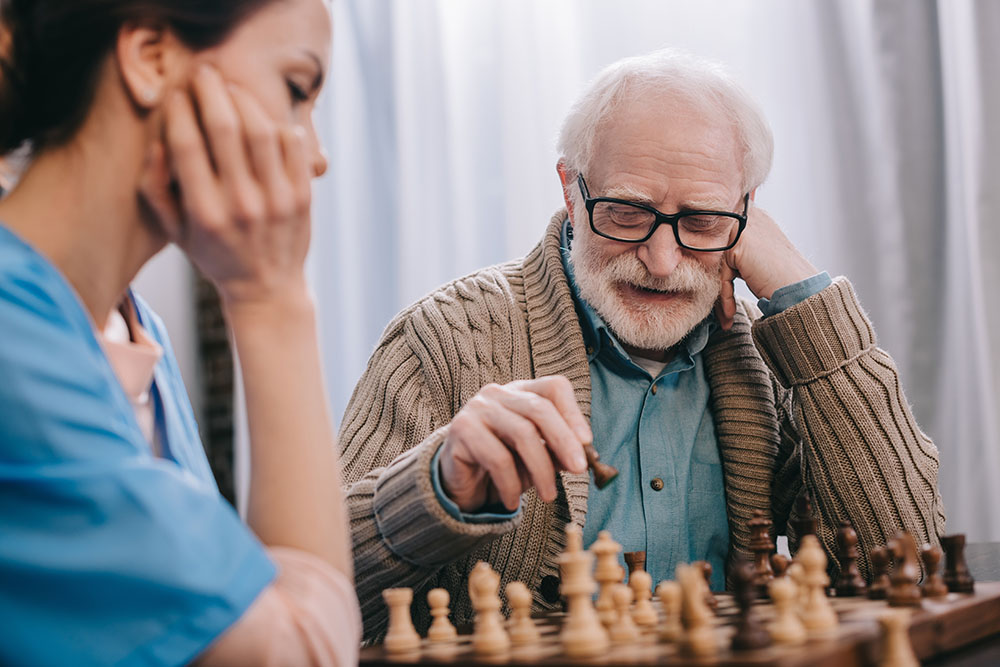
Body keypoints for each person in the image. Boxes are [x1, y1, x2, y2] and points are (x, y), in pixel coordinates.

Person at [339, 49, 946, 640]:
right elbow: (317, 588)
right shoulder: (446, 337)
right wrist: (436, 487)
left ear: (745, 210)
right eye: (628, 213)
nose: (661, 261)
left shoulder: (770, 355)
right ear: (571, 192)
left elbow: (907, 567)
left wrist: (803, 301)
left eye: (702, 220)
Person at [0, 1, 360, 665]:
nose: (314, 157)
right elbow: (297, 648)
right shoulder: (12, 339)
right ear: (151, 59)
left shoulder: (137, 335)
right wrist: (273, 299)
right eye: (295, 89)